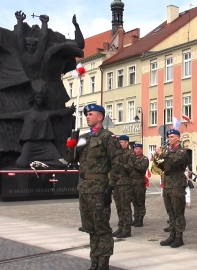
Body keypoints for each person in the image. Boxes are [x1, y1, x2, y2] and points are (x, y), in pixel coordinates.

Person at [65, 104, 121, 270]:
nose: (87, 117)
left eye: (90, 114)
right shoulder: (84, 138)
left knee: (102, 229)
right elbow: (70, 159)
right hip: (84, 189)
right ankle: (94, 263)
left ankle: (103, 265)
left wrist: (110, 187)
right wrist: (72, 143)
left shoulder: (108, 137)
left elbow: (117, 165)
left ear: (100, 117)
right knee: (90, 229)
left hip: (99, 189)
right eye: (86, 114)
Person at [0, 90, 75, 168]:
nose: (40, 100)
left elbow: (59, 113)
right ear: (34, 98)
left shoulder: (46, 114)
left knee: (59, 163)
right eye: (38, 97)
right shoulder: (27, 114)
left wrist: (70, 110)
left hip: (44, 144)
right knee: (21, 163)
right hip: (30, 144)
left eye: (41, 98)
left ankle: (42, 166)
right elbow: (12, 115)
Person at [155, 129, 190, 248]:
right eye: (169, 137)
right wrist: (157, 160)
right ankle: (172, 235)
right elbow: (164, 165)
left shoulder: (182, 151)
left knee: (178, 212)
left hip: (177, 183)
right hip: (168, 183)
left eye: (172, 137)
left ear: (178, 138)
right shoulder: (168, 151)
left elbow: (174, 161)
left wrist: (162, 154)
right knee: (170, 212)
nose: (169, 139)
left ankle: (179, 237)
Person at [110, 135, 134, 239]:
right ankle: (121, 227)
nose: (119, 144)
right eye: (119, 142)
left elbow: (131, 167)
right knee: (119, 207)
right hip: (116, 184)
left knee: (126, 207)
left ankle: (127, 229)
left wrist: (121, 163)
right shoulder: (117, 154)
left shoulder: (130, 153)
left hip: (125, 183)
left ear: (127, 143)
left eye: (121, 142)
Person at [128, 143, 149, 227]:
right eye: (134, 149)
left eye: (136, 149)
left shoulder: (144, 159)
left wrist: (133, 163)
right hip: (131, 182)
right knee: (134, 202)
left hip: (139, 182)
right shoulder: (133, 159)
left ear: (141, 149)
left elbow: (142, 168)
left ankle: (140, 219)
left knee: (140, 202)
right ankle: (135, 218)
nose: (135, 150)